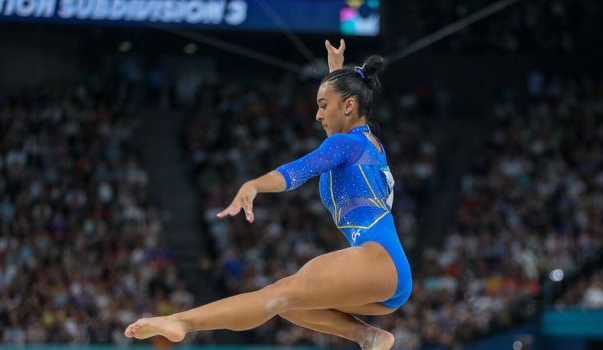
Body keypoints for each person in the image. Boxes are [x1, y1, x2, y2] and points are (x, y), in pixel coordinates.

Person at [124, 39, 412, 350]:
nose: (318, 116)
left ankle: (181, 322)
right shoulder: (363, 142)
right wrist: (336, 72)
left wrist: (255, 185)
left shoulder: (346, 144)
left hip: (377, 260)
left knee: (276, 296)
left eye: (322, 105)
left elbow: (299, 170)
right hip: (387, 273)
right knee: (290, 303)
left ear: (349, 105)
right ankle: (369, 337)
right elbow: (345, 104)